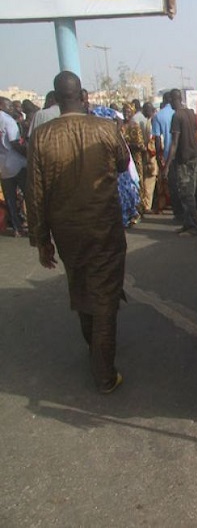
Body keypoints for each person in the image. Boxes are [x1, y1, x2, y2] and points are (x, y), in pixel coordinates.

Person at [25, 71, 129, 394]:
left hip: (67, 232)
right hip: (104, 228)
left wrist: (42, 241)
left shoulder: (41, 137)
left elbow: (35, 193)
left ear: (55, 99)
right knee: (105, 299)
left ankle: (94, 350)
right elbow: (125, 162)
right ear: (83, 96)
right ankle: (104, 374)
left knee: (83, 287)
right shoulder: (105, 128)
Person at [164, 89, 197, 236]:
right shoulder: (191, 113)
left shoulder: (177, 116)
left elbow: (174, 144)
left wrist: (166, 166)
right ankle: (187, 224)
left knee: (186, 194)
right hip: (194, 157)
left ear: (174, 100)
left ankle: (193, 227)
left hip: (184, 160)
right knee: (188, 193)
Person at [151, 91, 182, 221]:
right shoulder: (180, 112)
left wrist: (159, 157)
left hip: (168, 155)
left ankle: (178, 213)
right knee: (182, 186)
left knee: (173, 185)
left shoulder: (158, 116)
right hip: (181, 153)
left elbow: (157, 140)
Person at [0, 97, 28, 237]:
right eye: (9, 106)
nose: (11, 108)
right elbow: (15, 143)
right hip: (17, 164)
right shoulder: (8, 120)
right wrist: (29, 153)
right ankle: (34, 226)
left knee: (10, 199)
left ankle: (17, 228)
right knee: (29, 196)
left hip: (3, 167)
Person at [140, 102, 159, 213]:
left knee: (149, 180)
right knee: (150, 180)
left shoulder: (150, 122)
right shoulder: (150, 121)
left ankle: (147, 205)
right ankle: (148, 205)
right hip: (151, 155)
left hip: (150, 155)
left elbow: (151, 140)